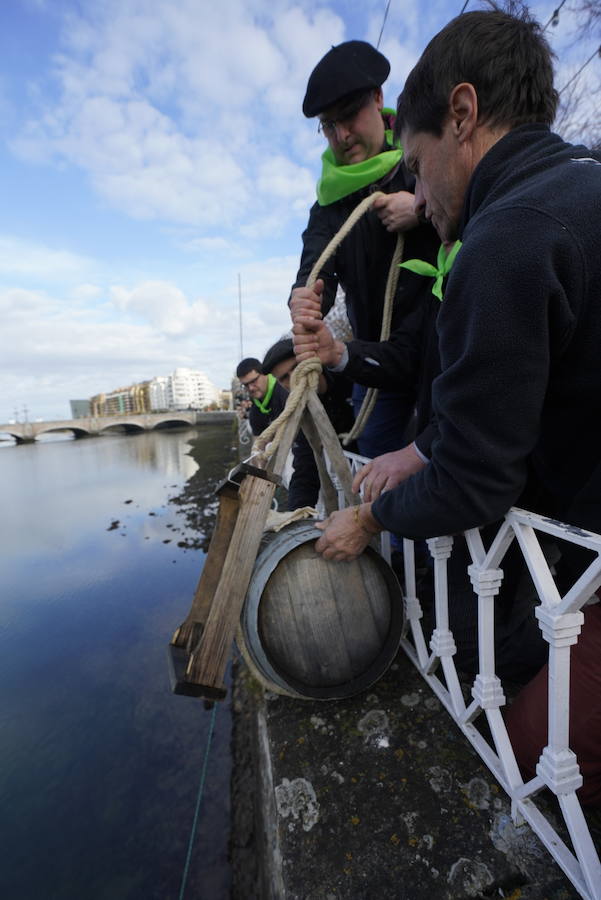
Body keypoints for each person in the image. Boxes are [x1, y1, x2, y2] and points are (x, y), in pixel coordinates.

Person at [300, 7, 601, 684]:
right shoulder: (579, 182)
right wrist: (426, 446)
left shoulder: (502, 243)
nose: (417, 191)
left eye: (415, 165)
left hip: (583, 551)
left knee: (530, 746)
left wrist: (368, 519)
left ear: (461, 114)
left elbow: (474, 479)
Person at [290, 40, 440, 458]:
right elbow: (315, 263)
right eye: (328, 125)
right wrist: (304, 299)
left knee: (444, 459)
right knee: (373, 460)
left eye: (349, 116)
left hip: (440, 348)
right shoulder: (330, 203)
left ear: (377, 99)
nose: (341, 135)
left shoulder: (422, 157)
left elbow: (476, 210)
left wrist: (424, 207)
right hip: (374, 359)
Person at [261, 338, 355, 510]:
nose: (294, 379)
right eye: (284, 378)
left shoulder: (351, 379)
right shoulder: (303, 412)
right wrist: (295, 515)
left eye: (296, 368)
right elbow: (305, 464)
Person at [235, 357, 287, 437]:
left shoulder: (284, 391)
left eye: (253, 381)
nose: (251, 388)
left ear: (264, 373)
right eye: (246, 385)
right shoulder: (255, 411)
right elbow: (258, 444)